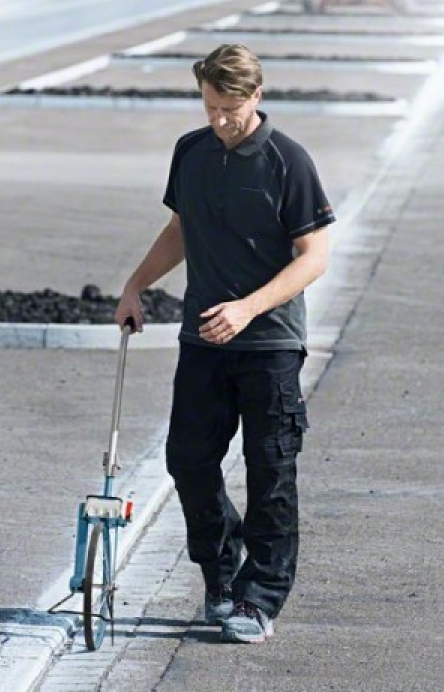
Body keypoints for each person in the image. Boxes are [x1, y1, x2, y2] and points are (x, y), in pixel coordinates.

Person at [115, 44, 336, 643]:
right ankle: (221, 573)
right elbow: (179, 229)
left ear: (256, 96)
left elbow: (314, 257)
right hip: (203, 342)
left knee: (271, 472)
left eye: (230, 110)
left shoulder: (289, 161)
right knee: (188, 460)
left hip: (269, 345)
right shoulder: (190, 151)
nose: (219, 120)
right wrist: (135, 285)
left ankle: (258, 599)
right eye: (210, 107)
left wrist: (247, 308)